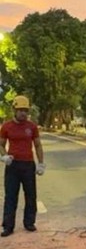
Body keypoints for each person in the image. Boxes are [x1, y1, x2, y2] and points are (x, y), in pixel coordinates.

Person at [0, 96, 45, 237]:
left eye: (25, 110)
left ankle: (29, 222)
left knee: (30, 195)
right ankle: (8, 226)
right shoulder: (6, 126)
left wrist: (41, 163)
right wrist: (4, 156)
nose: (23, 113)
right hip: (13, 165)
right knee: (10, 196)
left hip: (28, 165)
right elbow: (1, 144)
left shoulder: (32, 126)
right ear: (14, 110)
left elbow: (38, 145)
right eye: (20, 110)